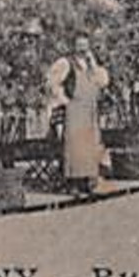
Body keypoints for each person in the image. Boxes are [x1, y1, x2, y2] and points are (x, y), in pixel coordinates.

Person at [46, 34, 110, 194]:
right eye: (79, 44)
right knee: (75, 146)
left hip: (89, 109)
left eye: (85, 45)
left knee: (89, 145)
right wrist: (63, 100)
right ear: (73, 46)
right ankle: (72, 183)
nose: (82, 48)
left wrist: (93, 64)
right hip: (74, 109)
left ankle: (86, 181)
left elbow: (102, 82)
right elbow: (52, 82)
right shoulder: (66, 63)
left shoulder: (91, 65)